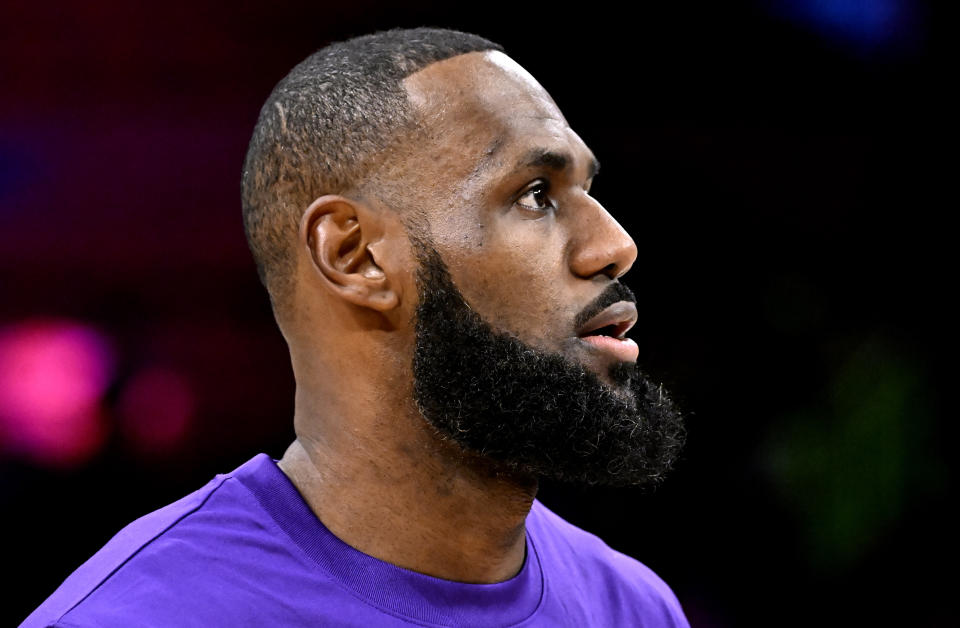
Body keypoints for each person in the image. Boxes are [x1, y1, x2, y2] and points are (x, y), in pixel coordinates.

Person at [23, 27, 688, 627]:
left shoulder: (633, 607)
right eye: (536, 194)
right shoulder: (139, 618)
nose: (614, 243)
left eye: (588, 192)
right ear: (357, 256)